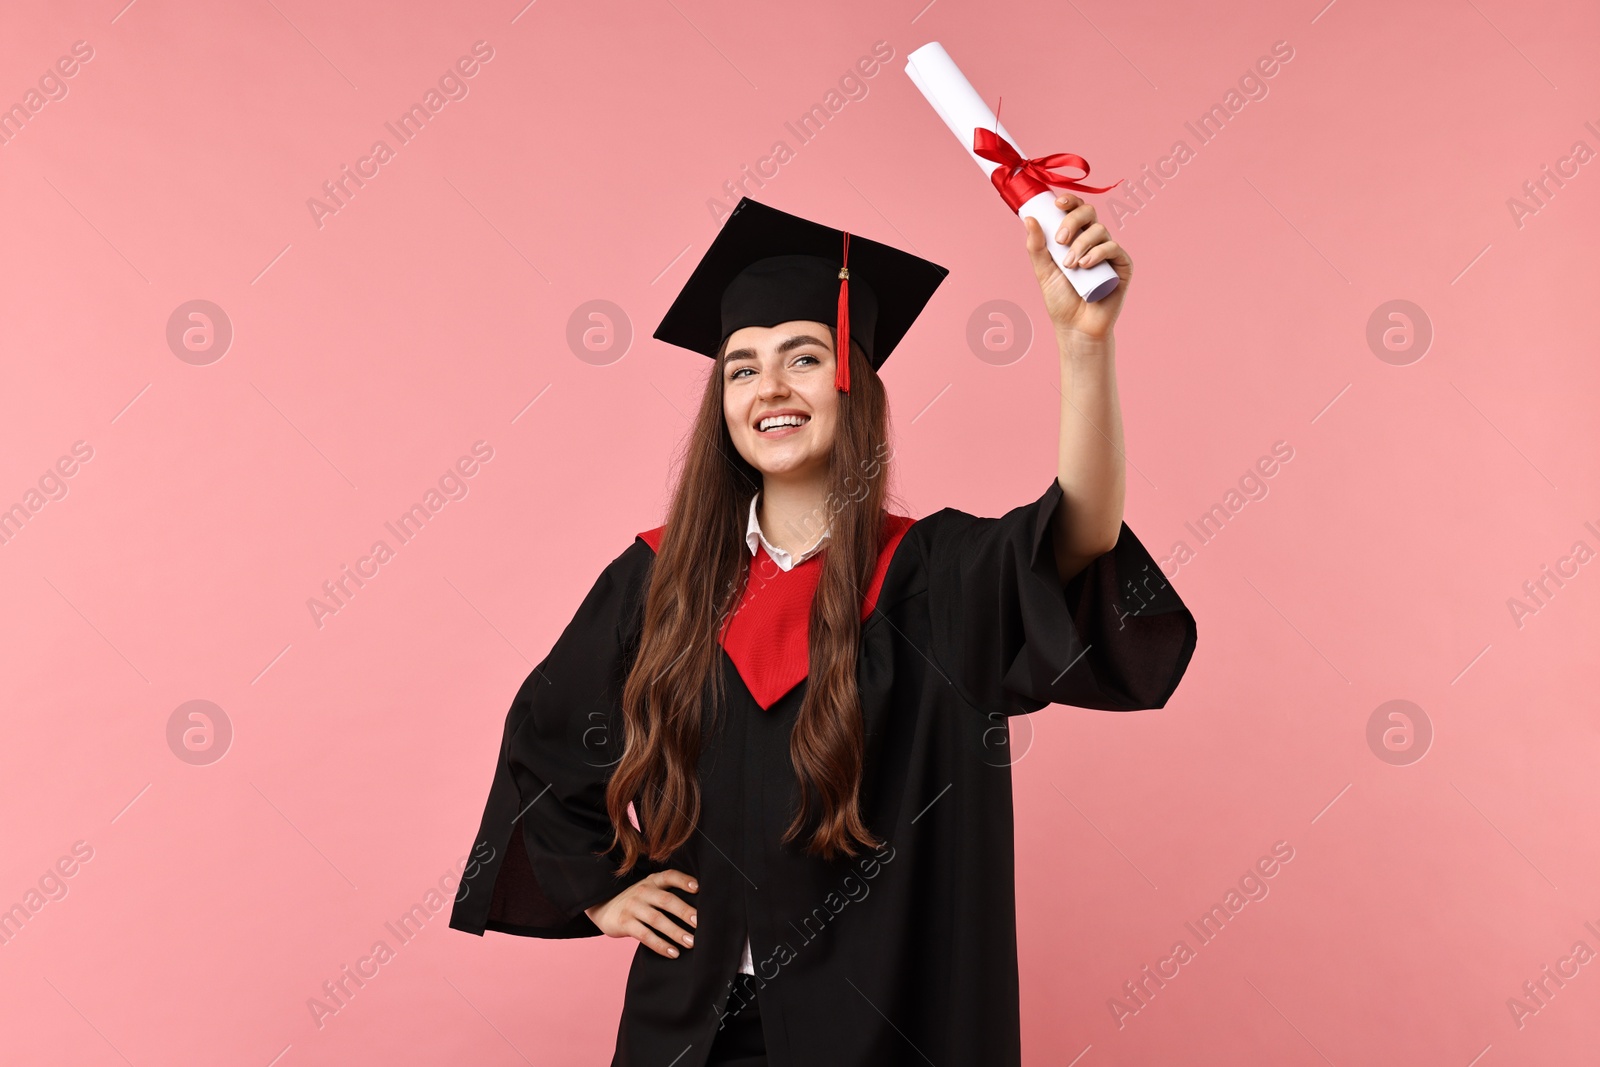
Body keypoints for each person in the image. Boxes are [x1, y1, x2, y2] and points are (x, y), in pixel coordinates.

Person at [449, 194, 1198, 1066]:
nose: (768, 387)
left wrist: (1085, 347)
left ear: (854, 382)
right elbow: (546, 736)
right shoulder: (659, 580)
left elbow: (1080, 537)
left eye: (803, 357)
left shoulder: (933, 574)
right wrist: (601, 893)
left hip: (884, 1023)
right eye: (741, 368)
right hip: (694, 1019)